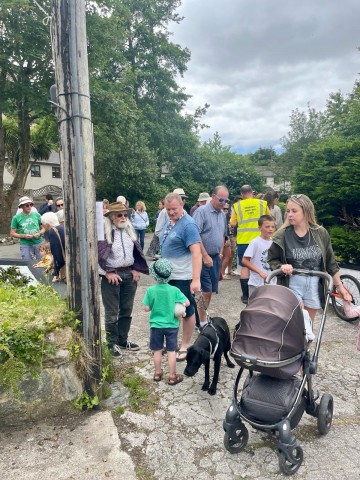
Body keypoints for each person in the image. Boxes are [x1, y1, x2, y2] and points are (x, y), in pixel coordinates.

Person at [268, 194, 351, 321]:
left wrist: (340, 287)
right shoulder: (282, 235)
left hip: (314, 284)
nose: (289, 214)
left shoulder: (320, 233)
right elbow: (272, 259)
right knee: (298, 321)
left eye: (294, 211)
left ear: (306, 212)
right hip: (292, 283)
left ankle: (305, 341)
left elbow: (331, 262)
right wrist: (281, 266)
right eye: (288, 211)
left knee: (307, 328)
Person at [98, 201, 149, 356]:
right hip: (112, 276)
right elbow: (96, 256)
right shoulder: (104, 233)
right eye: (119, 215)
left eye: (125, 215)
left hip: (129, 275)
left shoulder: (129, 231)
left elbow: (136, 253)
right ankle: (111, 344)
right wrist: (107, 273)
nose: (123, 217)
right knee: (112, 313)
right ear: (112, 217)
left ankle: (122, 340)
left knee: (126, 310)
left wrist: (135, 269)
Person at [159, 192, 202, 361]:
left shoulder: (188, 225)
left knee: (187, 311)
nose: (171, 212)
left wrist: (196, 279)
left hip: (183, 277)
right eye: (168, 209)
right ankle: (172, 342)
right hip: (168, 277)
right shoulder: (169, 220)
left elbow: (196, 253)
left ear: (182, 205)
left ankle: (184, 345)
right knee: (171, 310)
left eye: (174, 209)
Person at [143, 258, 190, 385]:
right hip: (172, 325)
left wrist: (154, 305)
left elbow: (146, 308)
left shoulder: (151, 290)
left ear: (154, 275)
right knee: (171, 351)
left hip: (155, 325)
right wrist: (178, 305)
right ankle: (172, 376)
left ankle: (158, 373)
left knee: (157, 350)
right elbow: (187, 302)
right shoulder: (174, 290)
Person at [193, 185, 228, 327]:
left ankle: (200, 317)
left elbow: (221, 234)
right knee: (205, 290)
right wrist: (205, 255)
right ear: (213, 196)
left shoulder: (222, 214)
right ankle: (202, 322)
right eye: (221, 199)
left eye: (226, 200)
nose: (223, 202)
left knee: (211, 290)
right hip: (202, 258)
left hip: (215, 258)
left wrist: (219, 253)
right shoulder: (202, 212)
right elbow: (195, 235)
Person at [230, 184, 270, 304]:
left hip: (244, 240)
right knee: (261, 264)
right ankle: (263, 291)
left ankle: (246, 296)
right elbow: (269, 218)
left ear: (242, 194)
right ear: (252, 192)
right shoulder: (262, 204)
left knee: (245, 267)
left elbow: (232, 223)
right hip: (260, 240)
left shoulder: (237, 206)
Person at [241, 215, 277, 299]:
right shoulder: (255, 242)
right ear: (260, 228)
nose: (270, 229)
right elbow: (245, 260)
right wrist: (259, 272)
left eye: (273, 227)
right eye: (267, 227)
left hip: (271, 282)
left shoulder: (274, 242)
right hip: (256, 283)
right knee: (255, 307)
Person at [10, 196, 44, 260]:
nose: (29, 207)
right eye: (27, 205)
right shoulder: (16, 218)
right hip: (25, 245)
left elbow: (43, 228)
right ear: (21, 206)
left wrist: (39, 233)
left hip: (38, 243)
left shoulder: (37, 215)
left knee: (42, 263)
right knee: (27, 264)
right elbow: (12, 233)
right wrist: (24, 236)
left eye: (31, 205)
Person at [41, 212, 66, 283]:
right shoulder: (61, 228)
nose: (42, 226)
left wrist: (56, 272)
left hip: (64, 266)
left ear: (47, 224)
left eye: (42, 224)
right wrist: (50, 265)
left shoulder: (52, 232)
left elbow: (57, 254)